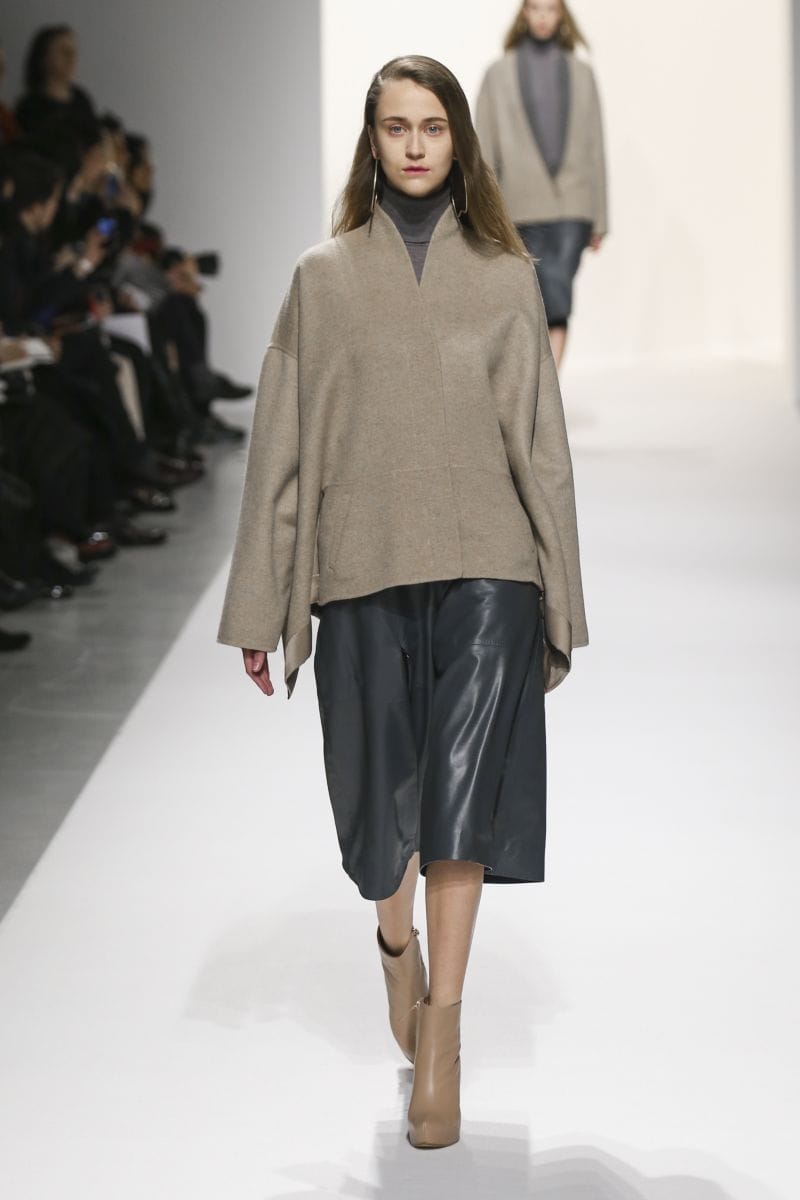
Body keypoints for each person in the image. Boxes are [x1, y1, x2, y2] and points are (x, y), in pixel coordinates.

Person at [218, 55, 587, 1149]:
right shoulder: (322, 280)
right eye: (396, 127)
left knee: (460, 807)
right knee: (379, 807)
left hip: (490, 566)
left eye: (433, 126)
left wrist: (559, 596)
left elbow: (543, 452)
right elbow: (279, 453)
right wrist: (261, 607)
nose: (416, 145)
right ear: (371, 141)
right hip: (361, 563)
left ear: (458, 140)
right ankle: (394, 944)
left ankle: (442, 1041)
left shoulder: (506, 277)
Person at [476, 0, 608, 367]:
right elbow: (483, 150)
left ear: (561, 13)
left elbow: (595, 145)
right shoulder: (497, 75)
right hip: (519, 205)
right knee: (529, 299)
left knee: (558, 294)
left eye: (550, 9)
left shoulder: (582, 73)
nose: (543, 17)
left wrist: (600, 217)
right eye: (536, 8)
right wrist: (483, 213)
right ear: (524, 12)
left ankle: (548, 386)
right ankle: (537, 386)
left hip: (573, 204)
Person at [14, 26, 96, 136]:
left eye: (74, 52)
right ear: (44, 58)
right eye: (64, 51)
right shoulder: (29, 107)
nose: (72, 58)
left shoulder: (82, 100)